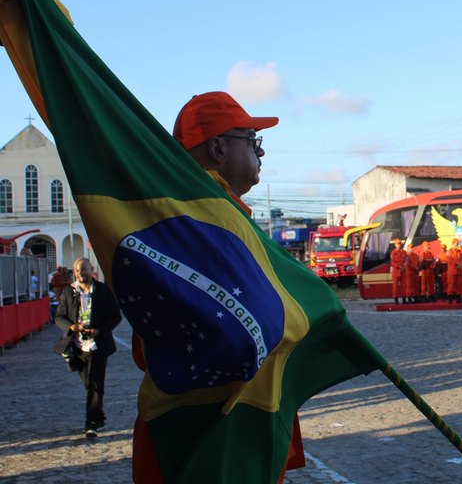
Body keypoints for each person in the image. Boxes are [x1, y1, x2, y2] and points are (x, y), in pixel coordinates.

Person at [132, 91, 305, 480]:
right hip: (210, 429)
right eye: (252, 140)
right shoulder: (206, 222)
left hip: (209, 423)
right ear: (217, 148)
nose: (261, 152)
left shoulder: (191, 215)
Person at [54, 257, 122, 438]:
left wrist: (99, 330)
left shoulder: (103, 291)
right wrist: (72, 327)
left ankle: (91, 424)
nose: (80, 274)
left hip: (97, 345)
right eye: (77, 271)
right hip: (77, 347)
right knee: (89, 385)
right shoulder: (69, 291)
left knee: (95, 384)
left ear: (91, 269)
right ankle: (99, 416)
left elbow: (115, 317)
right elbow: (59, 317)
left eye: (83, 269)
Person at [390, 238, 408, 304]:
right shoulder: (393, 253)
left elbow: (406, 260)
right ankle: (396, 300)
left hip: (403, 271)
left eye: (399, 244)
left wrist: (404, 266)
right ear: (395, 244)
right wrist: (400, 266)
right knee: (395, 286)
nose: (399, 245)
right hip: (396, 272)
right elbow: (393, 263)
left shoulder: (404, 252)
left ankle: (404, 300)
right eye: (397, 244)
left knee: (404, 286)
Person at [446, 239, 462, 303]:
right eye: (456, 244)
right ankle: (449, 298)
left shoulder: (460, 252)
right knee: (451, 285)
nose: (457, 245)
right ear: (453, 244)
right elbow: (449, 260)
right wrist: (458, 263)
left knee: (459, 285)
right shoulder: (449, 252)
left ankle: (458, 297)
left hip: (458, 271)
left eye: (458, 244)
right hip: (452, 271)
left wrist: (461, 264)